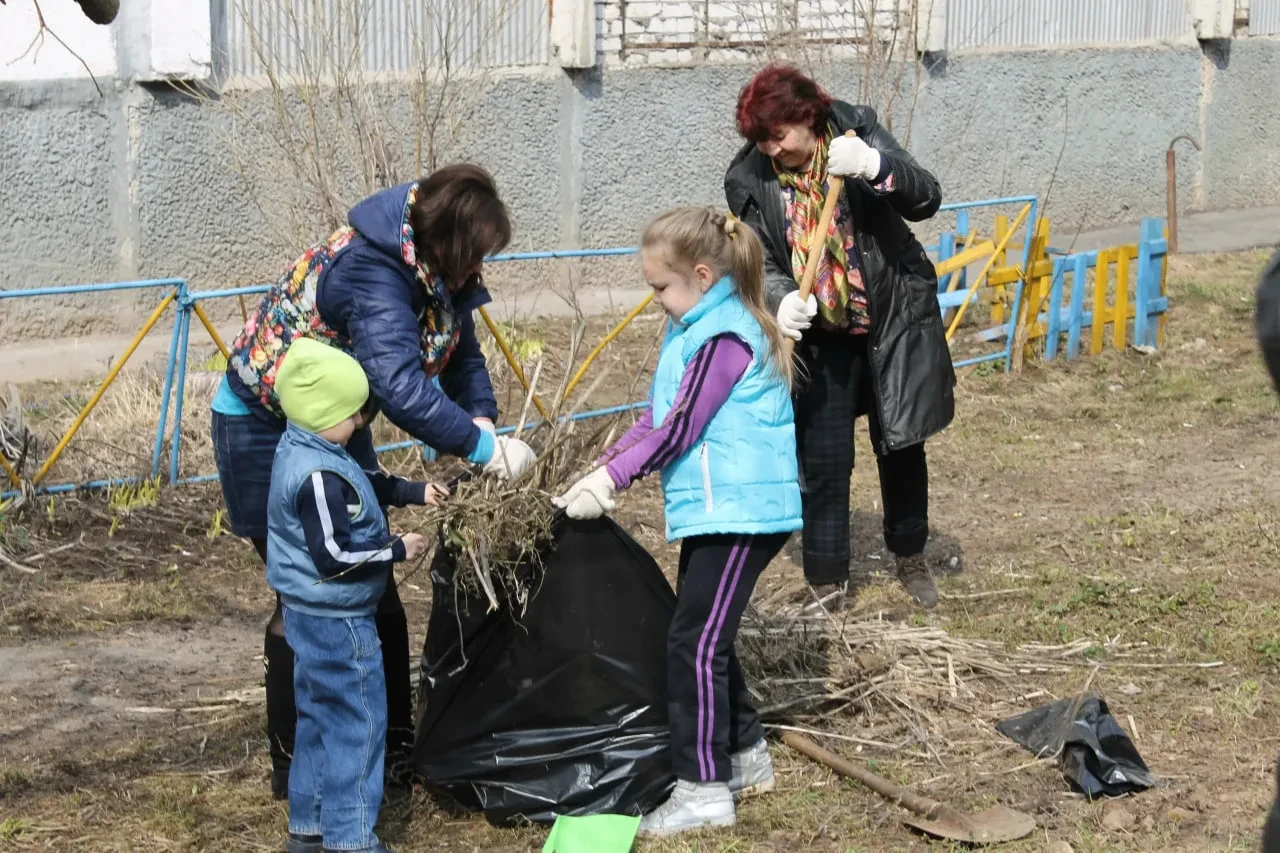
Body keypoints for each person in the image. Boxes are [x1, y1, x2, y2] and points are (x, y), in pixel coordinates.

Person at [210, 164, 536, 799]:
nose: (479, 269)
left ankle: (391, 751)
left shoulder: (439, 270)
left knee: (373, 585)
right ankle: (298, 767)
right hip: (261, 425)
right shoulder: (373, 269)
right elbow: (398, 385)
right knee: (307, 594)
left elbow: (462, 353)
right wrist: (482, 449)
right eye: (475, 255)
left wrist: (480, 419)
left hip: (337, 420)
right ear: (446, 242)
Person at [554, 206, 802, 836]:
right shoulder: (693, 326)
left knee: (693, 644)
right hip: (719, 510)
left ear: (700, 275)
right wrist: (600, 467)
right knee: (703, 634)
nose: (656, 299)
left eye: (660, 286)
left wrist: (615, 481)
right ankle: (744, 755)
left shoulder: (725, 337)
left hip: (744, 513)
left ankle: (702, 790)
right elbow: (656, 419)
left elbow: (682, 428)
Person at [724, 63, 955, 611]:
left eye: (778, 135)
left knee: (901, 443)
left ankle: (910, 554)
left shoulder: (858, 130)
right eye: (761, 140)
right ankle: (827, 580)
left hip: (891, 316)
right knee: (823, 458)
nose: (771, 150)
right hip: (821, 334)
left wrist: (875, 166)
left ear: (807, 116)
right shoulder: (748, 177)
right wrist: (781, 299)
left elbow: (925, 197)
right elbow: (759, 261)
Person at [267, 339, 436, 853]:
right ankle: (351, 839)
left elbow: (363, 484)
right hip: (337, 621)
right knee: (358, 726)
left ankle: (310, 828)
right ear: (324, 414)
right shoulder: (317, 477)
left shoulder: (306, 448)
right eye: (351, 414)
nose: (361, 422)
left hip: (308, 615)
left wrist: (415, 492)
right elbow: (333, 556)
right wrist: (396, 549)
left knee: (319, 720)